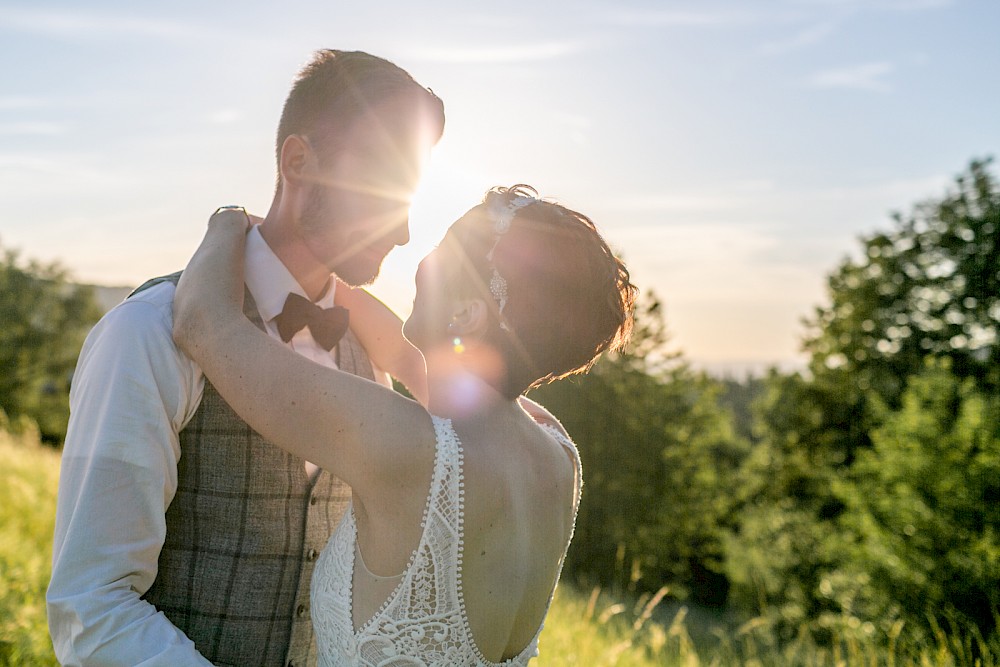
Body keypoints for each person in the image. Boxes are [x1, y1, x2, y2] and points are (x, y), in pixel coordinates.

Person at [47, 50, 445, 667]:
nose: (403, 232)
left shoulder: (370, 353)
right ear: (298, 162)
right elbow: (91, 606)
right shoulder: (145, 335)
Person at [171, 185, 637, 665]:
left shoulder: (406, 446)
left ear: (467, 313)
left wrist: (228, 220)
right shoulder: (557, 452)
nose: (422, 259)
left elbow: (202, 323)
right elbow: (409, 350)